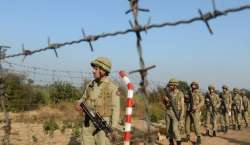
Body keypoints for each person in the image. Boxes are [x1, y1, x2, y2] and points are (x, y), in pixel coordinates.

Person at [75, 57, 120, 145]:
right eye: (93, 69)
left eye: (96, 69)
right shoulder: (90, 85)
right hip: (88, 123)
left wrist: (113, 128)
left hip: (102, 124)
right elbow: (83, 98)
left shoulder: (112, 88)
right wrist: (78, 103)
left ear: (103, 70)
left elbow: (116, 109)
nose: (93, 71)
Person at [163, 78, 184, 145]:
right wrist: (165, 100)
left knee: (175, 130)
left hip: (176, 114)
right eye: (169, 85)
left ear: (175, 85)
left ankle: (178, 143)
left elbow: (182, 107)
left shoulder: (180, 94)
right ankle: (171, 143)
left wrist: (181, 117)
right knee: (168, 130)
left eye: (171, 85)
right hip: (168, 112)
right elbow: (164, 103)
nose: (170, 86)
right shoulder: (168, 93)